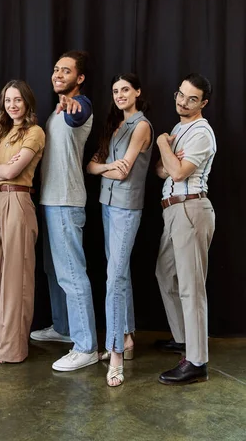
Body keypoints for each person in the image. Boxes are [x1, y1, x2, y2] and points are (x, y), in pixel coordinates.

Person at [31, 50, 98, 372]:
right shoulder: (55, 111)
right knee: (53, 272)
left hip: (66, 203)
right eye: (56, 69)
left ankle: (85, 346)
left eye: (66, 71)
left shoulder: (78, 106)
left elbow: (78, 115)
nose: (58, 74)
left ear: (79, 78)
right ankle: (63, 328)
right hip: (49, 201)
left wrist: (72, 107)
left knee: (71, 275)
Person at [87, 74, 153, 387]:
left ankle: (115, 354)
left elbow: (125, 170)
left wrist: (105, 169)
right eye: (115, 90)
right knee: (118, 271)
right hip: (106, 204)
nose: (120, 94)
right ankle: (126, 338)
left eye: (125, 89)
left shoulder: (141, 125)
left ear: (137, 92)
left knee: (115, 278)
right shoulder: (115, 126)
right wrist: (105, 168)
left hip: (127, 208)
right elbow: (92, 166)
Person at [155, 73, 216, 385]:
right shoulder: (180, 128)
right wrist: (168, 154)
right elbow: (160, 169)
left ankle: (196, 362)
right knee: (165, 275)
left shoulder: (201, 133)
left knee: (192, 287)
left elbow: (176, 171)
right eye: (181, 94)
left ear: (202, 103)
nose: (183, 101)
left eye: (192, 98)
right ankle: (183, 339)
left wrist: (162, 142)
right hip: (173, 210)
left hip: (191, 208)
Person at [0, 80, 45, 364]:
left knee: (15, 279)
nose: (12, 105)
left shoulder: (35, 132)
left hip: (19, 201)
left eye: (18, 99)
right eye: (8, 100)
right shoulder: (2, 133)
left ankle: (13, 348)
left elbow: (14, 170)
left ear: (27, 102)